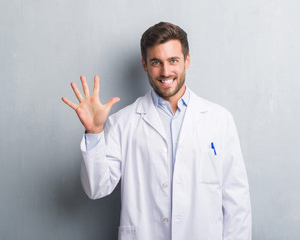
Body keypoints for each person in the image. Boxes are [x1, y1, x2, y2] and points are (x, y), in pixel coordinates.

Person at [62, 22, 251, 240]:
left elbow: (237, 200)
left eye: (173, 61)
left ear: (186, 60)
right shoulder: (123, 122)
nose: (165, 71)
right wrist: (94, 132)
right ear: (144, 65)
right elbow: (96, 188)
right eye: (156, 62)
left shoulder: (219, 120)